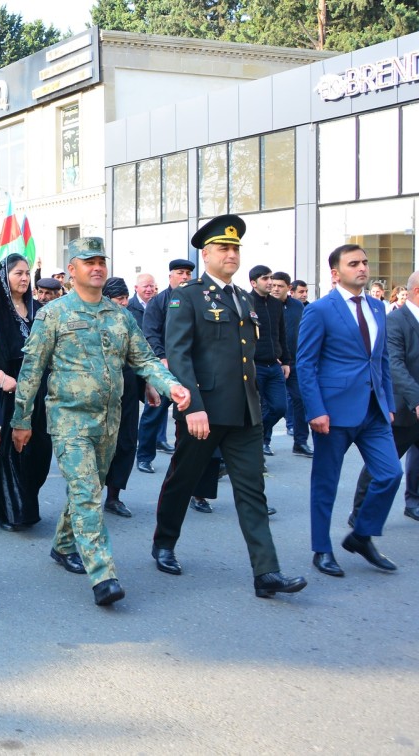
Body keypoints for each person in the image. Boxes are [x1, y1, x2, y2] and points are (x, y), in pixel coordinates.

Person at [13, 240, 188, 606]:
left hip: (109, 421)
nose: (96, 268)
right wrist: (21, 419)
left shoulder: (119, 315)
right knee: (87, 493)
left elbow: (143, 358)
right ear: (71, 271)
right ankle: (103, 574)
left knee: (88, 487)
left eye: (101, 262)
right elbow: (31, 370)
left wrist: (170, 386)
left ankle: (63, 546)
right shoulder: (54, 314)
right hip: (69, 419)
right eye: (88, 262)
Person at [151, 214, 307, 599]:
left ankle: (266, 572)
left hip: (244, 412)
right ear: (206, 254)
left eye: (235, 248)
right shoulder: (186, 296)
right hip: (203, 410)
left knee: (252, 489)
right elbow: (180, 354)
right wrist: (193, 407)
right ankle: (164, 542)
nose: (232, 254)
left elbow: (244, 356)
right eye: (224, 248)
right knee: (183, 478)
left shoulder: (243, 298)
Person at [297, 244, 401, 577]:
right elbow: (306, 363)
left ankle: (361, 535)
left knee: (389, 474)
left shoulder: (376, 306)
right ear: (335, 272)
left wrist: (389, 404)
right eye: (353, 263)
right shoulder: (320, 310)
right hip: (334, 411)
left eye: (365, 263)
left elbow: (381, 359)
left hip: (374, 410)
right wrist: (315, 410)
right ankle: (322, 549)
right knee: (326, 482)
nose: (362, 268)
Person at [0, 253, 51, 531]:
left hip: (38, 390)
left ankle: (26, 500)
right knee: (9, 451)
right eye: (17, 273)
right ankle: (11, 510)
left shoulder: (40, 311)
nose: (24, 278)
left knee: (38, 449)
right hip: (6, 392)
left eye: (26, 273)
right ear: (4, 277)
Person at [351, 270, 419, 525]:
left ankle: (414, 502)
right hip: (403, 407)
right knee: (382, 465)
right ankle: (359, 513)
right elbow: (395, 366)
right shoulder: (395, 321)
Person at [136, 259, 196, 473]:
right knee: (154, 414)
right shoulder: (159, 301)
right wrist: (162, 358)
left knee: (193, 413)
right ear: (170, 276)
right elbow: (150, 332)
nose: (185, 277)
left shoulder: (196, 299)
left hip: (191, 368)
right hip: (165, 368)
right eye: (180, 273)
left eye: (188, 273)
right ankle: (144, 456)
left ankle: (191, 461)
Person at [100, 277, 152, 518]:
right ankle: (85, 497)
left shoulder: (130, 321)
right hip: (100, 391)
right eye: (117, 299)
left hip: (128, 387)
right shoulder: (95, 320)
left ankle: (114, 496)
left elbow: (140, 355)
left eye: (124, 298)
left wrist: (148, 385)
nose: (122, 303)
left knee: (126, 442)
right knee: (97, 445)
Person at [247, 265, 289, 457]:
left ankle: (257, 438)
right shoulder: (245, 302)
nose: (270, 282)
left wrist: (286, 360)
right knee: (254, 410)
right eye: (265, 278)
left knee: (280, 406)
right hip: (254, 365)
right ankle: (256, 444)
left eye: (271, 277)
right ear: (253, 283)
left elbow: (281, 334)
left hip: (274, 365)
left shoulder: (276, 304)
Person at [270, 271, 313, 457]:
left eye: (280, 286)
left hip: (296, 362)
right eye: (273, 285)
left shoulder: (298, 306)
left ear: (289, 288)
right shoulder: (264, 305)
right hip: (272, 363)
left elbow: (305, 333)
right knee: (270, 405)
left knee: (301, 401)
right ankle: (263, 441)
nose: (276, 289)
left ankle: (301, 442)